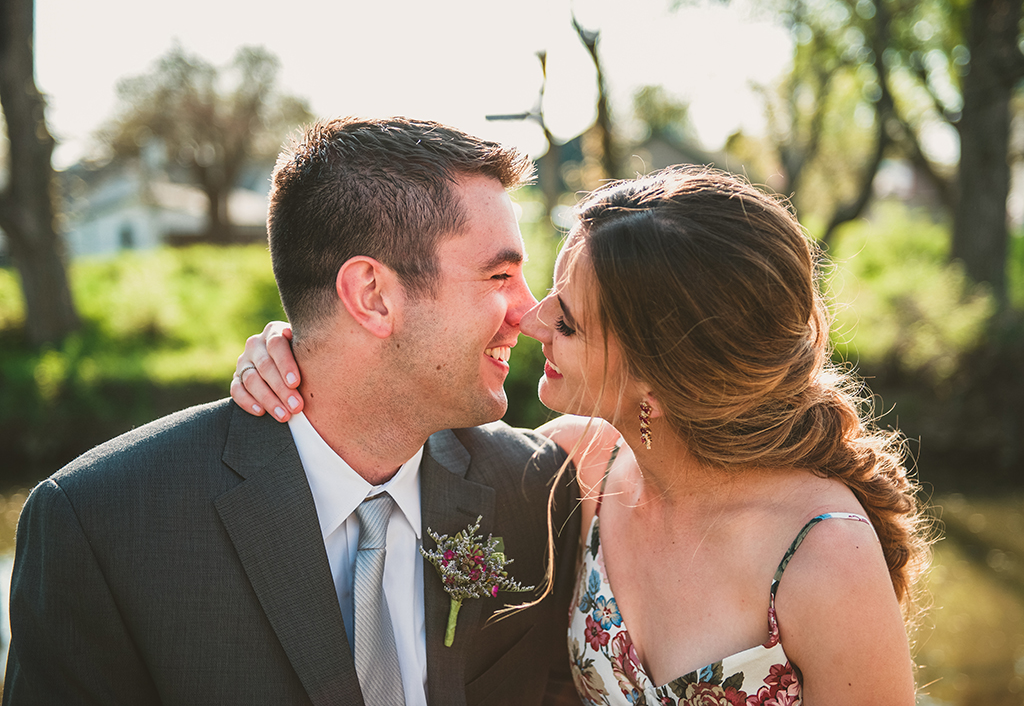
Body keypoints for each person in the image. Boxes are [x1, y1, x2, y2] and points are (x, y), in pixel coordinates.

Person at [238, 165, 931, 705]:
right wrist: (300, 358)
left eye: (567, 321)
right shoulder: (578, 467)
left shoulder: (825, 555)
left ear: (662, 375)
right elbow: (392, 441)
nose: (530, 320)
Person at [4, 117, 581, 706]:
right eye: (500, 275)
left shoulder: (536, 489)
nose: (530, 313)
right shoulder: (101, 525)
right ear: (372, 296)